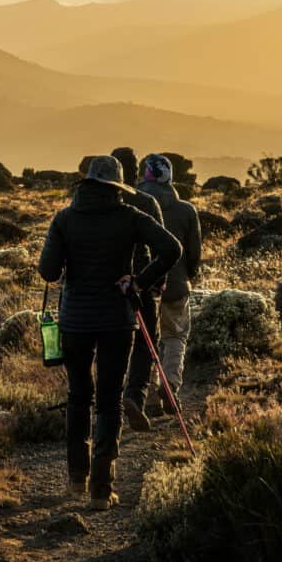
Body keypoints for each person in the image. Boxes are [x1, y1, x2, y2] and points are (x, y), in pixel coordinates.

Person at [38, 155, 181, 510]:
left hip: (74, 321)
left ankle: (75, 480)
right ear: (117, 187)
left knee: (78, 396)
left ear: (85, 183)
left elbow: (48, 272)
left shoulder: (64, 219)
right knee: (109, 400)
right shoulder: (130, 217)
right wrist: (140, 281)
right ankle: (101, 490)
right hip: (118, 320)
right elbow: (171, 249)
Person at [136, 154, 202, 415]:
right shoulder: (186, 210)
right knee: (175, 336)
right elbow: (194, 251)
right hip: (176, 285)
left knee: (145, 340)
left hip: (142, 286)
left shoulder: (133, 203)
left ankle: (150, 398)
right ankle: (171, 385)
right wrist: (189, 274)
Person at [110, 147, 165, 433]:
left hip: (105, 285)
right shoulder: (146, 202)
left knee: (109, 344)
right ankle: (134, 396)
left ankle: (110, 404)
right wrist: (155, 281)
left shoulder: (98, 203)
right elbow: (163, 247)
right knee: (146, 343)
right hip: (140, 283)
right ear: (135, 172)